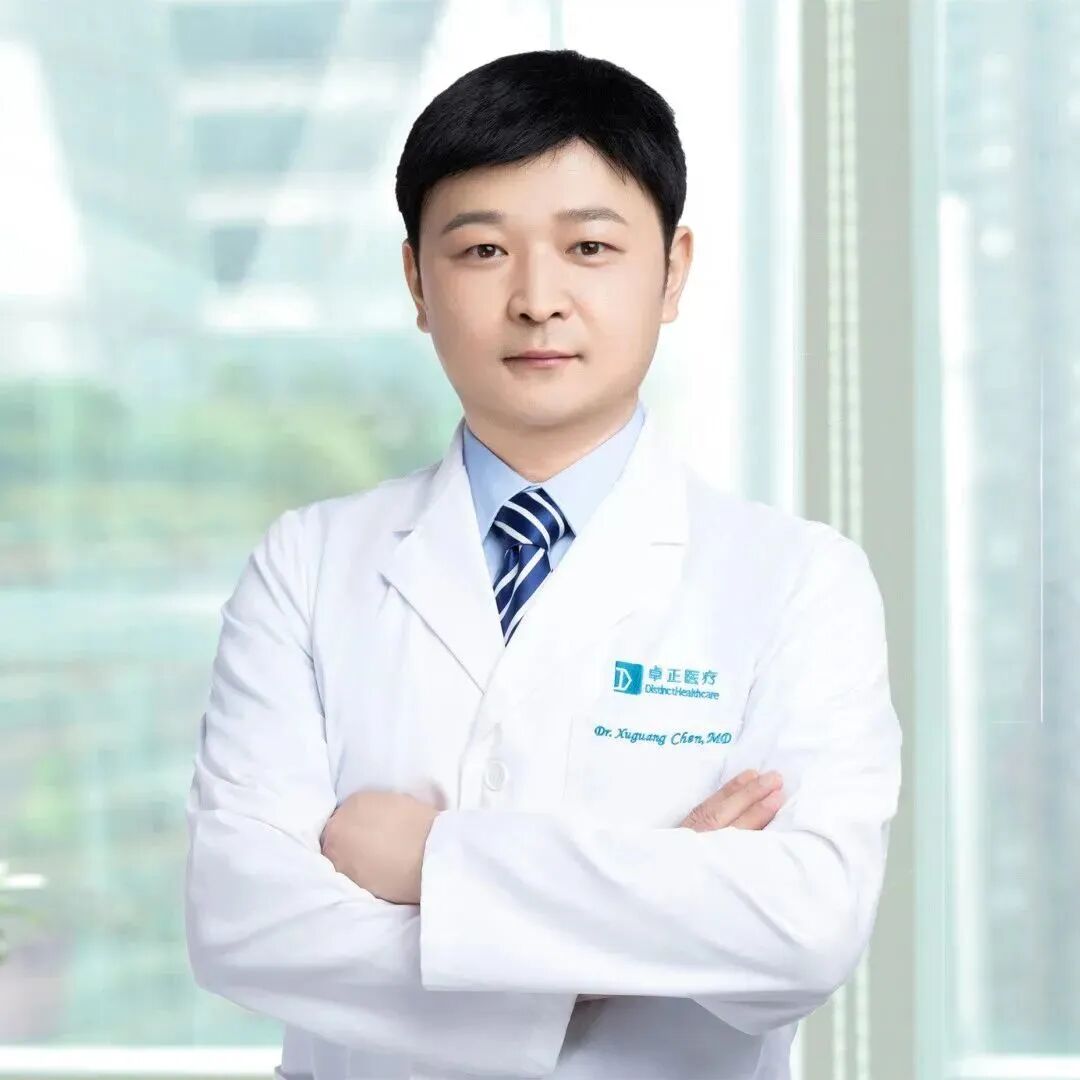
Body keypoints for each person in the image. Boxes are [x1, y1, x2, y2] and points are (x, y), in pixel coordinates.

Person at [184, 48, 902, 1080]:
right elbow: (243, 921)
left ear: (674, 271)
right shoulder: (307, 564)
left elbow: (803, 932)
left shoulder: (799, 581)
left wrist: (428, 861)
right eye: (482, 250)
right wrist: (633, 937)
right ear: (416, 281)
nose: (536, 299)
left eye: (589, 247)